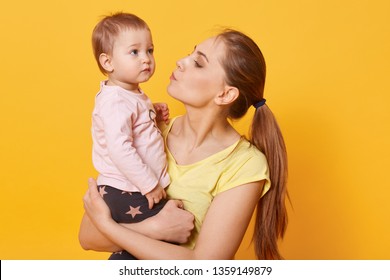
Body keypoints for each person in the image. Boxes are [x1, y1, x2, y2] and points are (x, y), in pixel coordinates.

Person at [79, 28, 288, 260]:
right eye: (190, 53)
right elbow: (88, 236)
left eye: (198, 63)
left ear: (225, 95)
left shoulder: (245, 165)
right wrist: (154, 228)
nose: (180, 61)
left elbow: (206, 264)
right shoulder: (150, 132)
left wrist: (108, 227)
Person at [89, 12, 170, 259]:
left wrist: (150, 112)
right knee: (160, 240)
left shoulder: (128, 95)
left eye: (150, 50)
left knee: (136, 248)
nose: (146, 59)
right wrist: (150, 184)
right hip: (129, 190)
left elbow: (132, 127)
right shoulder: (115, 101)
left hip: (134, 188)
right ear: (108, 62)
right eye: (134, 52)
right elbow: (119, 148)